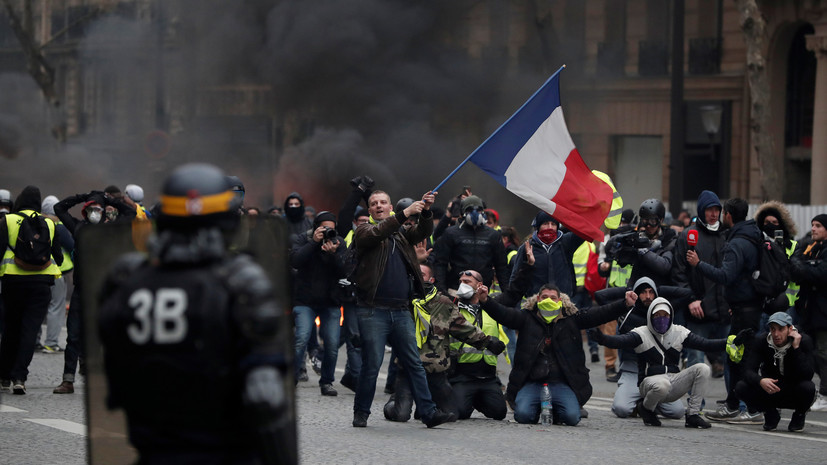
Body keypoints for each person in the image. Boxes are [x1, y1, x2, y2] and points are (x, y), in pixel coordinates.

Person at [98, 163, 295, 464]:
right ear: (229, 221)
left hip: (151, 452)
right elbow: (264, 396)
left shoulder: (124, 280)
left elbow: (113, 368)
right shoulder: (242, 282)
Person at [476, 243, 637, 426]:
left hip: (563, 382)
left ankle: (557, 408)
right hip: (532, 381)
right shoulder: (525, 318)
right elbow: (502, 313)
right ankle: (537, 406)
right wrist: (485, 301)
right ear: (538, 299)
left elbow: (599, 313)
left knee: (571, 418)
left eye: (553, 298)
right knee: (523, 416)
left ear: (560, 301)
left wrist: (624, 304)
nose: (549, 301)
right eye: (545, 297)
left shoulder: (572, 318)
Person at [350, 189, 454, 428]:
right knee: (372, 363)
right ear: (370, 211)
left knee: (414, 363)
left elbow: (423, 231)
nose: (378, 206)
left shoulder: (401, 235)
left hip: (401, 309)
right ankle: (361, 413)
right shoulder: (365, 230)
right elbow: (378, 232)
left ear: (389, 206)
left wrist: (426, 211)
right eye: (374, 203)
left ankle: (429, 413)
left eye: (383, 202)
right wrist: (404, 212)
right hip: (373, 309)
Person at [590, 297, 751, 429]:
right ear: (650, 316)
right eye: (657, 315)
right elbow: (619, 341)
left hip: (672, 381)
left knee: (702, 369)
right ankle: (646, 409)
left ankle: (693, 415)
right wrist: (602, 339)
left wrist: (733, 341)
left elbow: (706, 344)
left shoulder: (679, 332)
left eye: (665, 315)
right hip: (649, 383)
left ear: (671, 316)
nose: (662, 319)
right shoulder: (641, 333)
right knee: (661, 384)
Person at [383, 263, 502, 422]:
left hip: (435, 368)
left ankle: (426, 407)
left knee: (452, 415)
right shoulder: (402, 300)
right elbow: (385, 323)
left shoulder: (443, 303)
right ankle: (394, 401)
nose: (418, 277)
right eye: (414, 274)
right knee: (400, 415)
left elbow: (463, 328)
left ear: (431, 279)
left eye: (422, 275)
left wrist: (488, 342)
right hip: (409, 366)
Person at [687, 197, 764, 423]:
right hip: (745, 306)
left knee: (742, 360)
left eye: (721, 212)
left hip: (745, 310)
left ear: (728, 215)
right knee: (734, 358)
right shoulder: (752, 235)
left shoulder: (738, 242)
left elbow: (726, 276)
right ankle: (732, 404)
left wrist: (698, 264)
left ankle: (752, 408)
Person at [52, 190, 136, 394]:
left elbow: (130, 214)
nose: (95, 213)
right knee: (73, 336)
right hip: (82, 291)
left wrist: (108, 199)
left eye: (98, 210)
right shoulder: (79, 228)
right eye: (91, 209)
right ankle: (68, 380)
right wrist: (82, 196)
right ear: (85, 212)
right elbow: (59, 208)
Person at [0, 186, 64, 395]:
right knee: (30, 331)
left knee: (11, 329)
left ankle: (4, 376)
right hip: (41, 285)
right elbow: (59, 258)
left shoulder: (8, 220)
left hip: (12, 283)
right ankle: (20, 377)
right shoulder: (48, 223)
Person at [610, 277, 685, 420]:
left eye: (651, 292)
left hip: (658, 373)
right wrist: (627, 293)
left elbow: (686, 293)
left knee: (677, 412)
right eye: (643, 292)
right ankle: (639, 400)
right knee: (622, 408)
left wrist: (660, 289)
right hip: (632, 370)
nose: (648, 296)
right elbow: (601, 295)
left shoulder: (664, 315)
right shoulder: (627, 315)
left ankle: (647, 403)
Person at [290, 211, 347, 396]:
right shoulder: (303, 239)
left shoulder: (339, 242)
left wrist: (333, 254)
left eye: (331, 228)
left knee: (331, 344)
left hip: (330, 302)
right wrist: (314, 243)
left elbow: (344, 271)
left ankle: (327, 382)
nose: (328, 231)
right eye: (324, 227)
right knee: (301, 339)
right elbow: (296, 261)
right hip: (304, 301)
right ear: (316, 227)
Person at [672, 190, 728, 377]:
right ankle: (696, 405)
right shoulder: (689, 236)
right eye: (709, 210)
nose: (713, 214)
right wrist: (691, 299)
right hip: (698, 310)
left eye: (716, 210)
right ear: (702, 211)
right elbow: (679, 272)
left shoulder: (726, 234)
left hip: (725, 310)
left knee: (732, 359)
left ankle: (735, 404)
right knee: (696, 361)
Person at [447, 268, 513, 421]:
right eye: (461, 282)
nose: (462, 285)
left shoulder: (492, 307)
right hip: (462, 375)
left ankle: (475, 399)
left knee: (498, 413)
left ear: (479, 285)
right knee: (460, 413)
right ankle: (461, 398)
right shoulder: (453, 308)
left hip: (488, 376)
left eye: (467, 282)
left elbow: (514, 292)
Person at [734, 312, 816, 431]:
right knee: (741, 387)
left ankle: (799, 415)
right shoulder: (762, 341)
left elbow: (808, 374)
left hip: (794, 390)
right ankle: (770, 413)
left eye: (781, 329)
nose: (776, 334)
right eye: (773, 329)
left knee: (809, 388)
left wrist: (796, 348)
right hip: (771, 388)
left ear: (789, 329)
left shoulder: (804, 341)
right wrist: (760, 380)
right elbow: (748, 370)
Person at [432, 195, 509, 294]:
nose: (475, 213)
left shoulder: (493, 235)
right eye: (469, 210)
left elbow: (501, 266)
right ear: (462, 213)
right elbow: (440, 263)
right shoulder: (451, 233)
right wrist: (441, 289)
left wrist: (506, 294)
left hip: (482, 291)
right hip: (456, 290)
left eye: (479, 210)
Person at [790, 213, 827, 411]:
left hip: (823, 313)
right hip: (809, 311)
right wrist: (804, 265)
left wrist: (804, 266)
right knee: (809, 352)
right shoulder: (812, 248)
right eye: (813, 225)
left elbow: (819, 273)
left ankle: (825, 394)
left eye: (818, 226)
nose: (813, 229)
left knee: (823, 353)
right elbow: (796, 271)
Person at [510, 211, 584, 299]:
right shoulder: (526, 248)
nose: (550, 227)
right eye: (545, 223)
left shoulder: (566, 242)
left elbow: (585, 228)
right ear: (538, 226)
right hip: (536, 302)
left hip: (562, 301)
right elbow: (514, 278)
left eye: (553, 224)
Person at [38, 195, 75, 354]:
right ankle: (51, 342)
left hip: (38, 271)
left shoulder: (36, 223)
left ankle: (34, 341)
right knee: (56, 307)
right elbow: (72, 246)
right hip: (58, 272)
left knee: (39, 307)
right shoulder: (58, 226)